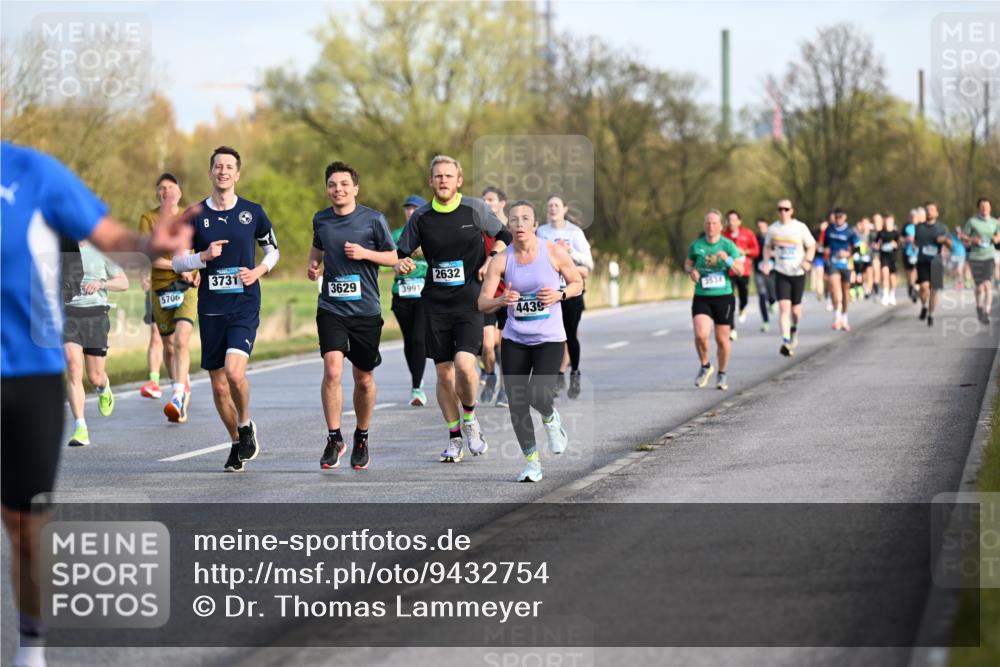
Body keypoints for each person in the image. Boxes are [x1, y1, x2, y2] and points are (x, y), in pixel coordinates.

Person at [1, 140, 192, 667]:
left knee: (25, 527)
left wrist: (151, 241)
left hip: (29, 371)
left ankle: (30, 648)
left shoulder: (35, 172)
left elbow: (114, 237)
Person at [395, 155, 512, 463]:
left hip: (469, 301)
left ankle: (470, 419)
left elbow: (504, 235)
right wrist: (400, 263)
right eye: (438, 176)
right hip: (434, 303)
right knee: (444, 374)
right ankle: (454, 436)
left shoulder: (474, 208)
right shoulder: (421, 217)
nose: (444, 180)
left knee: (464, 364)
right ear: (431, 182)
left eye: (449, 175)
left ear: (458, 180)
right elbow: (400, 252)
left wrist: (490, 260)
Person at [171, 146, 280, 471]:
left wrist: (258, 271)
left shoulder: (252, 212)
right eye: (218, 166)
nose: (223, 171)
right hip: (212, 309)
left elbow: (273, 251)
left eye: (229, 167)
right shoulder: (192, 215)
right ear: (210, 173)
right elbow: (177, 260)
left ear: (237, 173)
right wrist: (201, 258)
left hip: (244, 303)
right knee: (218, 386)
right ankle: (236, 441)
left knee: (234, 372)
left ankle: (245, 426)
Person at [479, 200, 582, 482]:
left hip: (549, 338)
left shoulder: (553, 252)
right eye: (514, 219)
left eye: (526, 219)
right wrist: (501, 300)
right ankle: (532, 462)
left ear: (535, 225)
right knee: (517, 401)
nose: (520, 224)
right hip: (515, 339)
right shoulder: (501, 259)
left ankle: (550, 418)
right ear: (508, 226)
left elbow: (577, 283)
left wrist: (559, 295)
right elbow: (482, 302)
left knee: (538, 394)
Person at [309, 162, 397, 470]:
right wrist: (313, 265)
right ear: (327, 189)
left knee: (363, 377)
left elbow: (393, 257)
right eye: (332, 185)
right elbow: (317, 248)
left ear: (355, 188)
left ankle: (361, 436)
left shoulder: (373, 220)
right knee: (332, 370)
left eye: (344, 184)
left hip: (365, 310)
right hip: (331, 307)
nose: (338, 190)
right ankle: (334, 438)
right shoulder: (321, 219)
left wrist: (365, 254)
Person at [139, 173, 198, 422]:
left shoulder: (191, 217)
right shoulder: (148, 219)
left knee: (182, 339)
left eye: (170, 188)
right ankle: (179, 381)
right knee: (169, 346)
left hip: (186, 287)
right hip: (161, 287)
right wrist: (178, 266)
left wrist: (196, 273)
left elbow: (200, 252)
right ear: (157, 193)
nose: (166, 192)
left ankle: (178, 394)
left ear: (179, 192)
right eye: (161, 188)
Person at [63, 242, 129, 446]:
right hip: (68, 315)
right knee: (73, 368)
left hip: (96, 315)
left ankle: (103, 387)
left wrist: (101, 284)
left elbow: (123, 282)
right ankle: (80, 427)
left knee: (95, 377)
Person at [537, 194, 594, 399]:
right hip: (549, 293)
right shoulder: (541, 232)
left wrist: (569, 251)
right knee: (551, 336)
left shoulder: (574, 232)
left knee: (570, 335)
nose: (553, 209)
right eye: (549, 205)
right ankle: (554, 377)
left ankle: (575, 372)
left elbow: (589, 264)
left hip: (571, 292)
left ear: (565, 209)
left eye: (556, 205)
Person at [685, 210, 745, 390]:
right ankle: (705, 366)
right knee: (701, 334)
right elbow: (688, 264)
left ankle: (722, 373)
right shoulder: (696, 245)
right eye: (708, 223)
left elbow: (740, 271)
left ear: (721, 226)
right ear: (704, 226)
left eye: (714, 223)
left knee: (721, 339)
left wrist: (727, 261)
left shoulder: (728, 245)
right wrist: (692, 272)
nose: (711, 226)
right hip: (702, 295)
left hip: (724, 296)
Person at [761, 198, 816, 356]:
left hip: (798, 272)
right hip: (781, 272)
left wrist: (808, 260)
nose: (783, 212)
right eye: (780, 209)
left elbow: (811, 245)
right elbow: (766, 246)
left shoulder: (800, 227)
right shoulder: (773, 229)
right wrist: (766, 262)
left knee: (796, 310)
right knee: (784, 308)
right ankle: (785, 341)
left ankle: (794, 329)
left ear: (792, 211)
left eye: (786, 209)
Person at [390, 194, 430, 406]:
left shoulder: (431, 232)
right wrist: (396, 261)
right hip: (402, 293)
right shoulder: (396, 234)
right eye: (407, 208)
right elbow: (383, 260)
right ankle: (417, 379)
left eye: (415, 208)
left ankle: (417, 388)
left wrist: (421, 255)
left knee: (418, 339)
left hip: (424, 293)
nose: (410, 212)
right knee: (409, 340)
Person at [480, 186, 508, 406]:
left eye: (491, 200)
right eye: (484, 200)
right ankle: (490, 376)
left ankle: (506, 389)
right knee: (488, 345)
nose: (487, 204)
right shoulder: (478, 229)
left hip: (509, 294)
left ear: (502, 204)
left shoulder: (511, 229)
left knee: (505, 345)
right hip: (488, 295)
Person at [721, 209, 759, 341]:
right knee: (729, 299)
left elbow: (756, 250)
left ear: (739, 221)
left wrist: (745, 251)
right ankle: (732, 329)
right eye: (729, 220)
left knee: (744, 296)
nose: (731, 222)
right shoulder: (723, 235)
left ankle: (743, 307)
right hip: (728, 272)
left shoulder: (747, 233)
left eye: (734, 219)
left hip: (744, 271)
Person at [961, 197, 998, 324]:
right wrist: (972, 240)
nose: (985, 208)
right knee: (979, 288)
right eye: (982, 206)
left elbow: (998, 235)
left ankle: (986, 312)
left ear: (990, 208)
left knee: (988, 285)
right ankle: (978, 307)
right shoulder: (972, 221)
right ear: (979, 208)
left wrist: (996, 238)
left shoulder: (994, 222)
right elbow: (963, 236)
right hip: (976, 257)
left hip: (989, 256)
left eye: (987, 206)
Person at [913, 201, 951, 327]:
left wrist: (944, 240)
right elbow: (915, 243)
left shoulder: (942, 228)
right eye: (927, 210)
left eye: (932, 210)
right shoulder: (919, 227)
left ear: (937, 213)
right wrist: (912, 246)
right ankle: (924, 306)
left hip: (936, 262)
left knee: (934, 290)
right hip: (922, 261)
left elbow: (950, 245)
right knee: (924, 287)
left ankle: (931, 314)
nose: (929, 212)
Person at [825, 208, 859, 331]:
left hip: (846, 265)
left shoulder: (850, 231)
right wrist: (826, 250)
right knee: (835, 289)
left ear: (845, 217)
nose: (838, 219)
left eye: (840, 217)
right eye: (836, 217)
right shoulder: (829, 229)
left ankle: (845, 317)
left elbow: (859, 248)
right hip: (834, 264)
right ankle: (837, 317)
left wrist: (848, 253)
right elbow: (824, 245)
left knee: (845, 292)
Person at [753, 217, 777, 332]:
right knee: (762, 295)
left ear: (767, 226)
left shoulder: (773, 237)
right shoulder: (755, 238)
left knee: (772, 293)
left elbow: (781, 249)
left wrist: (773, 253)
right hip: (759, 270)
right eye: (759, 227)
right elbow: (753, 251)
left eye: (763, 226)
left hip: (772, 269)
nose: (761, 229)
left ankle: (772, 301)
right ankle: (765, 322)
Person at [876, 214, 901, 306]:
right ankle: (885, 295)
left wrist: (896, 245)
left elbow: (899, 245)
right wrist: (878, 245)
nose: (887, 223)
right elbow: (876, 244)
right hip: (884, 257)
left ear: (892, 221)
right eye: (886, 221)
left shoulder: (895, 233)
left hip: (893, 257)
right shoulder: (881, 233)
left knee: (892, 277)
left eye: (889, 221)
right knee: (885, 274)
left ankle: (892, 294)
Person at [903, 208, 922, 302]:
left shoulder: (921, 227)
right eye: (912, 217)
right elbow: (900, 239)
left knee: (916, 271)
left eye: (915, 217)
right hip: (908, 253)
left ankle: (915, 288)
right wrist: (907, 239)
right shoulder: (906, 227)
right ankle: (911, 286)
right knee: (909, 272)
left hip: (918, 253)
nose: (913, 219)